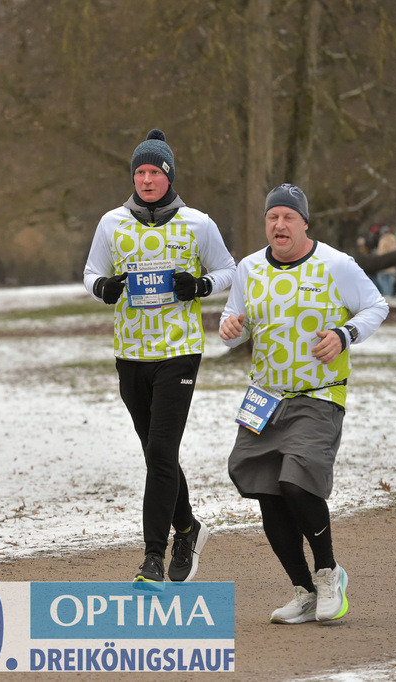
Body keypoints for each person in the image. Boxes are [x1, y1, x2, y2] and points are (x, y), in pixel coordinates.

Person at [219, 184, 388, 624]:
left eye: (288, 217)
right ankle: (304, 591)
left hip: (319, 393)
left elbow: (376, 306)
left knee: (296, 484)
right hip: (264, 398)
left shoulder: (336, 264)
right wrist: (231, 326)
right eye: (272, 217)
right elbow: (233, 320)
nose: (280, 225)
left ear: (304, 223)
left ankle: (329, 573)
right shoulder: (249, 268)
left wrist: (344, 335)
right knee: (266, 491)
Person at [83, 128, 236, 584]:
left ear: (169, 175)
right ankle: (188, 527)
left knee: (162, 450)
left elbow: (229, 270)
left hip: (179, 351)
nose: (147, 180)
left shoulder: (197, 223)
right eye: (140, 173)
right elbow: (91, 272)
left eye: (155, 172)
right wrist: (104, 288)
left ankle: (154, 556)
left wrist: (201, 285)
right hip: (131, 353)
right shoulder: (112, 223)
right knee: (155, 453)